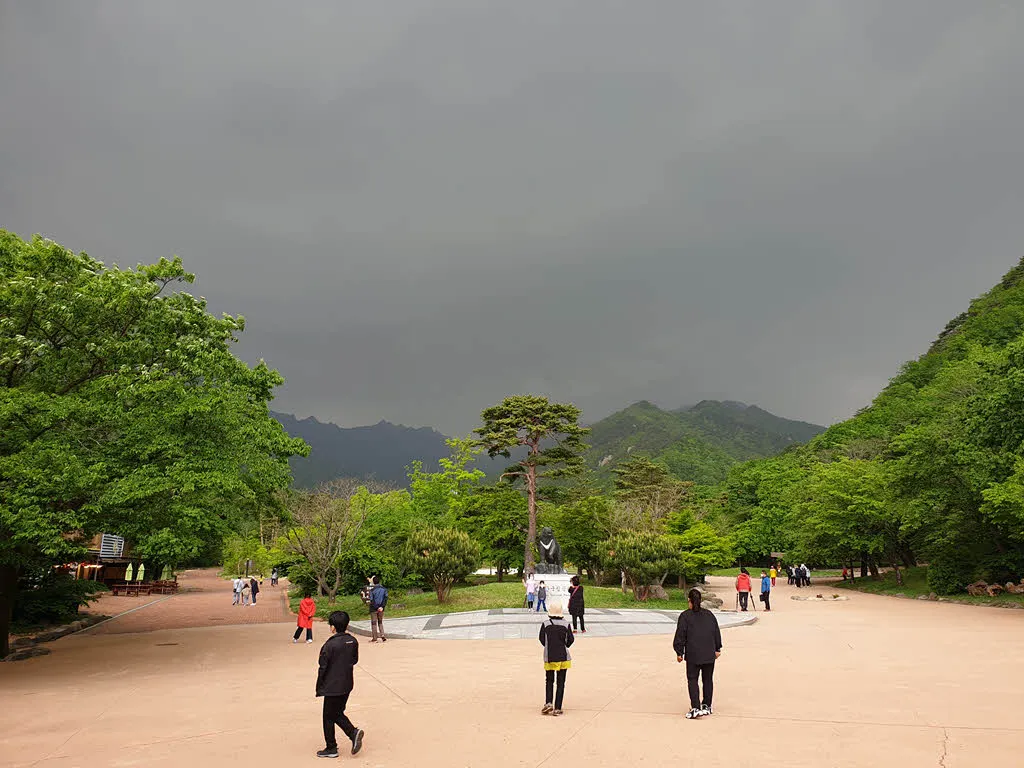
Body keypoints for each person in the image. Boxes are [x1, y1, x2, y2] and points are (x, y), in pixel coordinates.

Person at [315, 611, 365, 759]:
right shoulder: (353, 641)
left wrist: (320, 687)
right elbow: (354, 660)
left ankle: (349, 735)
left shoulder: (329, 645)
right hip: (347, 684)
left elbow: (322, 666)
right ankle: (332, 746)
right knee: (334, 713)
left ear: (332, 627)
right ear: (347, 625)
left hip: (332, 686)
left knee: (330, 715)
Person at [673, 587, 722, 719]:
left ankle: (696, 707)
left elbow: (680, 635)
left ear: (689, 600)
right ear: (700, 601)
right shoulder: (709, 615)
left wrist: (679, 652)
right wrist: (717, 648)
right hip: (709, 653)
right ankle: (707, 705)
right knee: (707, 679)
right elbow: (716, 631)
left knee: (692, 679)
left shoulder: (685, 616)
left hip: (694, 654)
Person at [539, 601, 574, 716]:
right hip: (563, 657)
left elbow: (541, 639)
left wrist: (549, 646)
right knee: (560, 682)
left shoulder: (545, 624)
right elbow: (570, 639)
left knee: (549, 680)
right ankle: (558, 708)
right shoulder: (566, 624)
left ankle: (548, 703)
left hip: (549, 656)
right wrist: (564, 646)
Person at [368, 576, 388, 643]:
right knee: (380, 622)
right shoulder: (384, 589)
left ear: (373, 582)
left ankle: (375, 638)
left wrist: (377, 607)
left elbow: (372, 600)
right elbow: (385, 599)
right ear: (379, 581)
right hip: (381, 609)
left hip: (374, 609)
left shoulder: (372, 590)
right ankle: (382, 635)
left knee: (374, 623)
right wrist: (382, 607)